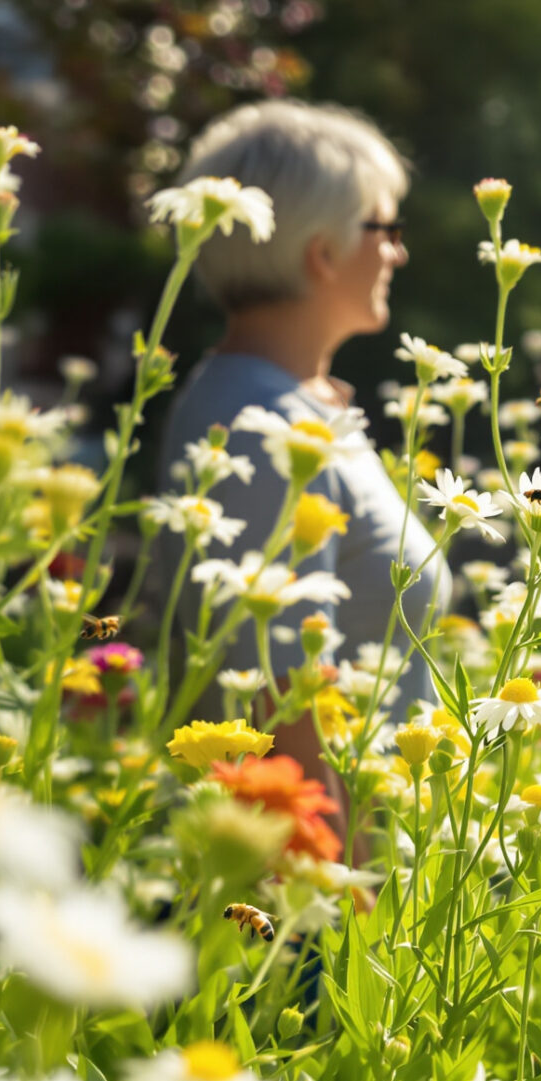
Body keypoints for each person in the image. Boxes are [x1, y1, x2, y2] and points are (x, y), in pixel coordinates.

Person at [156, 100, 447, 809]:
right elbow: (280, 711)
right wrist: (344, 895)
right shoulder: (260, 426)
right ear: (324, 249)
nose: (399, 251)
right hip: (321, 891)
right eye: (385, 227)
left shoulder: (297, 407)